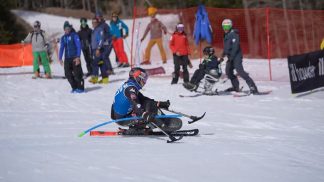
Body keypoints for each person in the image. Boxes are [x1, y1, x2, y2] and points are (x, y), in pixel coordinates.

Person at [111, 67, 181, 135]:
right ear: (137, 78)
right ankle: (162, 125)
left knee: (149, 104)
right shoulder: (130, 89)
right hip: (123, 119)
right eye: (144, 79)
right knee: (148, 110)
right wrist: (144, 114)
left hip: (122, 115)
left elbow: (143, 100)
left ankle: (162, 121)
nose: (144, 82)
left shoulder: (130, 86)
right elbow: (136, 103)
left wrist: (158, 103)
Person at [221, 19, 258, 94]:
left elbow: (235, 47)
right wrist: (223, 54)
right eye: (224, 27)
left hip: (236, 57)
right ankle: (235, 87)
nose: (225, 29)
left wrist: (231, 57)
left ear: (230, 26)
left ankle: (253, 88)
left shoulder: (234, 34)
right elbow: (227, 47)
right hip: (230, 57)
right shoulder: (226, 35)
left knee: (240, 72)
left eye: (227, 27)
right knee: (228, 71)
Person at [59, 21, 84, 93]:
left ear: (70, 28)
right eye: (65, 28)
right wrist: (60, 58)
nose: (67, 30)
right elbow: (61, 48)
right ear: (64, 29)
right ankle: (74, 87)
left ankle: (80, 88)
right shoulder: (63, 38)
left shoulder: (74, 35)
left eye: (68, 28)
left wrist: (78, 57)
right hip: (67, 58)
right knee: (67, 74)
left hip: (75, 57)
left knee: (77, 73)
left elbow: (78, 46)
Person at [89, 17, 109, 84]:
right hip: (95, 49)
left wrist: (98, 48)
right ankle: (105, 79)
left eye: (95, 22)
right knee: (101, 64)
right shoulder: (94, 30)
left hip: (98, 50)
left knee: (95, 64)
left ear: (97, 23)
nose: (94, 24)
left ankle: (95, 78)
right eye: (93, 22)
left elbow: (101, 40)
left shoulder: (99, 30)